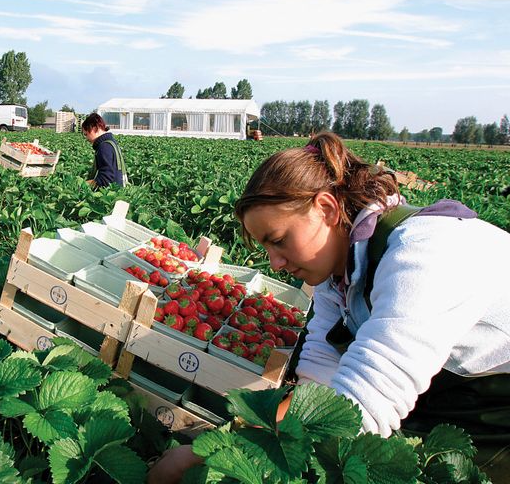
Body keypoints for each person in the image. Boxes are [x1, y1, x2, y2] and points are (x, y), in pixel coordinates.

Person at [148, 131, 510, 483]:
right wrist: (228, 440)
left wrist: (209, 454)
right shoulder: (338, 274)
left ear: (326, 208)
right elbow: (317, 389)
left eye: (279, 240)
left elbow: (360, 409)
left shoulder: (423, 256)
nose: (274, 262)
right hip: (444, 393)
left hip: (495, 408)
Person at [81, 112, 128, 189]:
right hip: (118, 190)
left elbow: (106, 178)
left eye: (86, 134)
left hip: (110, 193)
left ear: (94, 128)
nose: (86, 138)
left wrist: (83, 185)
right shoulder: (111, 142)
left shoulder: (104, 147)